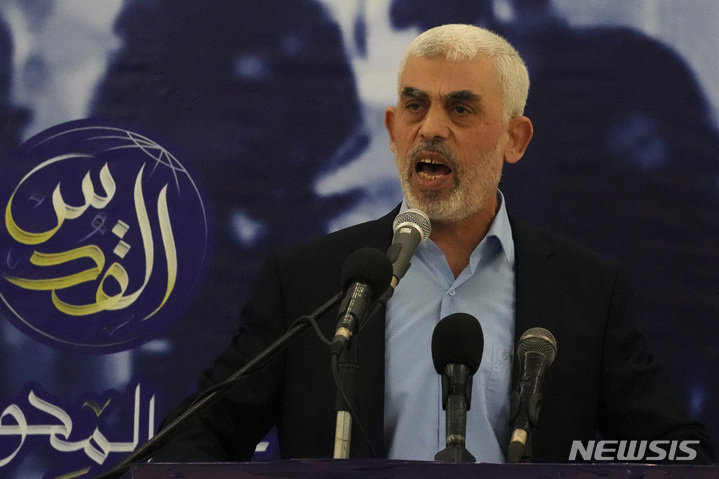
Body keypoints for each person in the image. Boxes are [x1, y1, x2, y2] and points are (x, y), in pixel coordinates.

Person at [149, 24, 716, 464]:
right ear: (393, 129)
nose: (432, 128)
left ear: (515, 139)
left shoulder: (586, 291)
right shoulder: (309, 281)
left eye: (461, 108)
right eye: (415, 106)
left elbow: (676, 452)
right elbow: (196, 440)